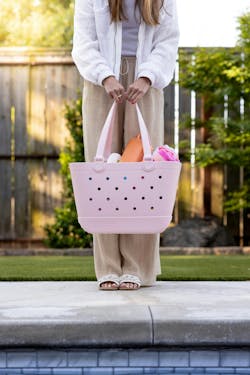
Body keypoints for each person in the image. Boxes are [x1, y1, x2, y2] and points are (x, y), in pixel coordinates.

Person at [71, 0, 180, 291]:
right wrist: (105, 76)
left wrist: (146, 77)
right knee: (101, 172)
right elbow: (83, 41)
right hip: (100, 82)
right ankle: (108, 266)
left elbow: (168, 41)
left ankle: (136, 267)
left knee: (143, 174)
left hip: (146, 83)